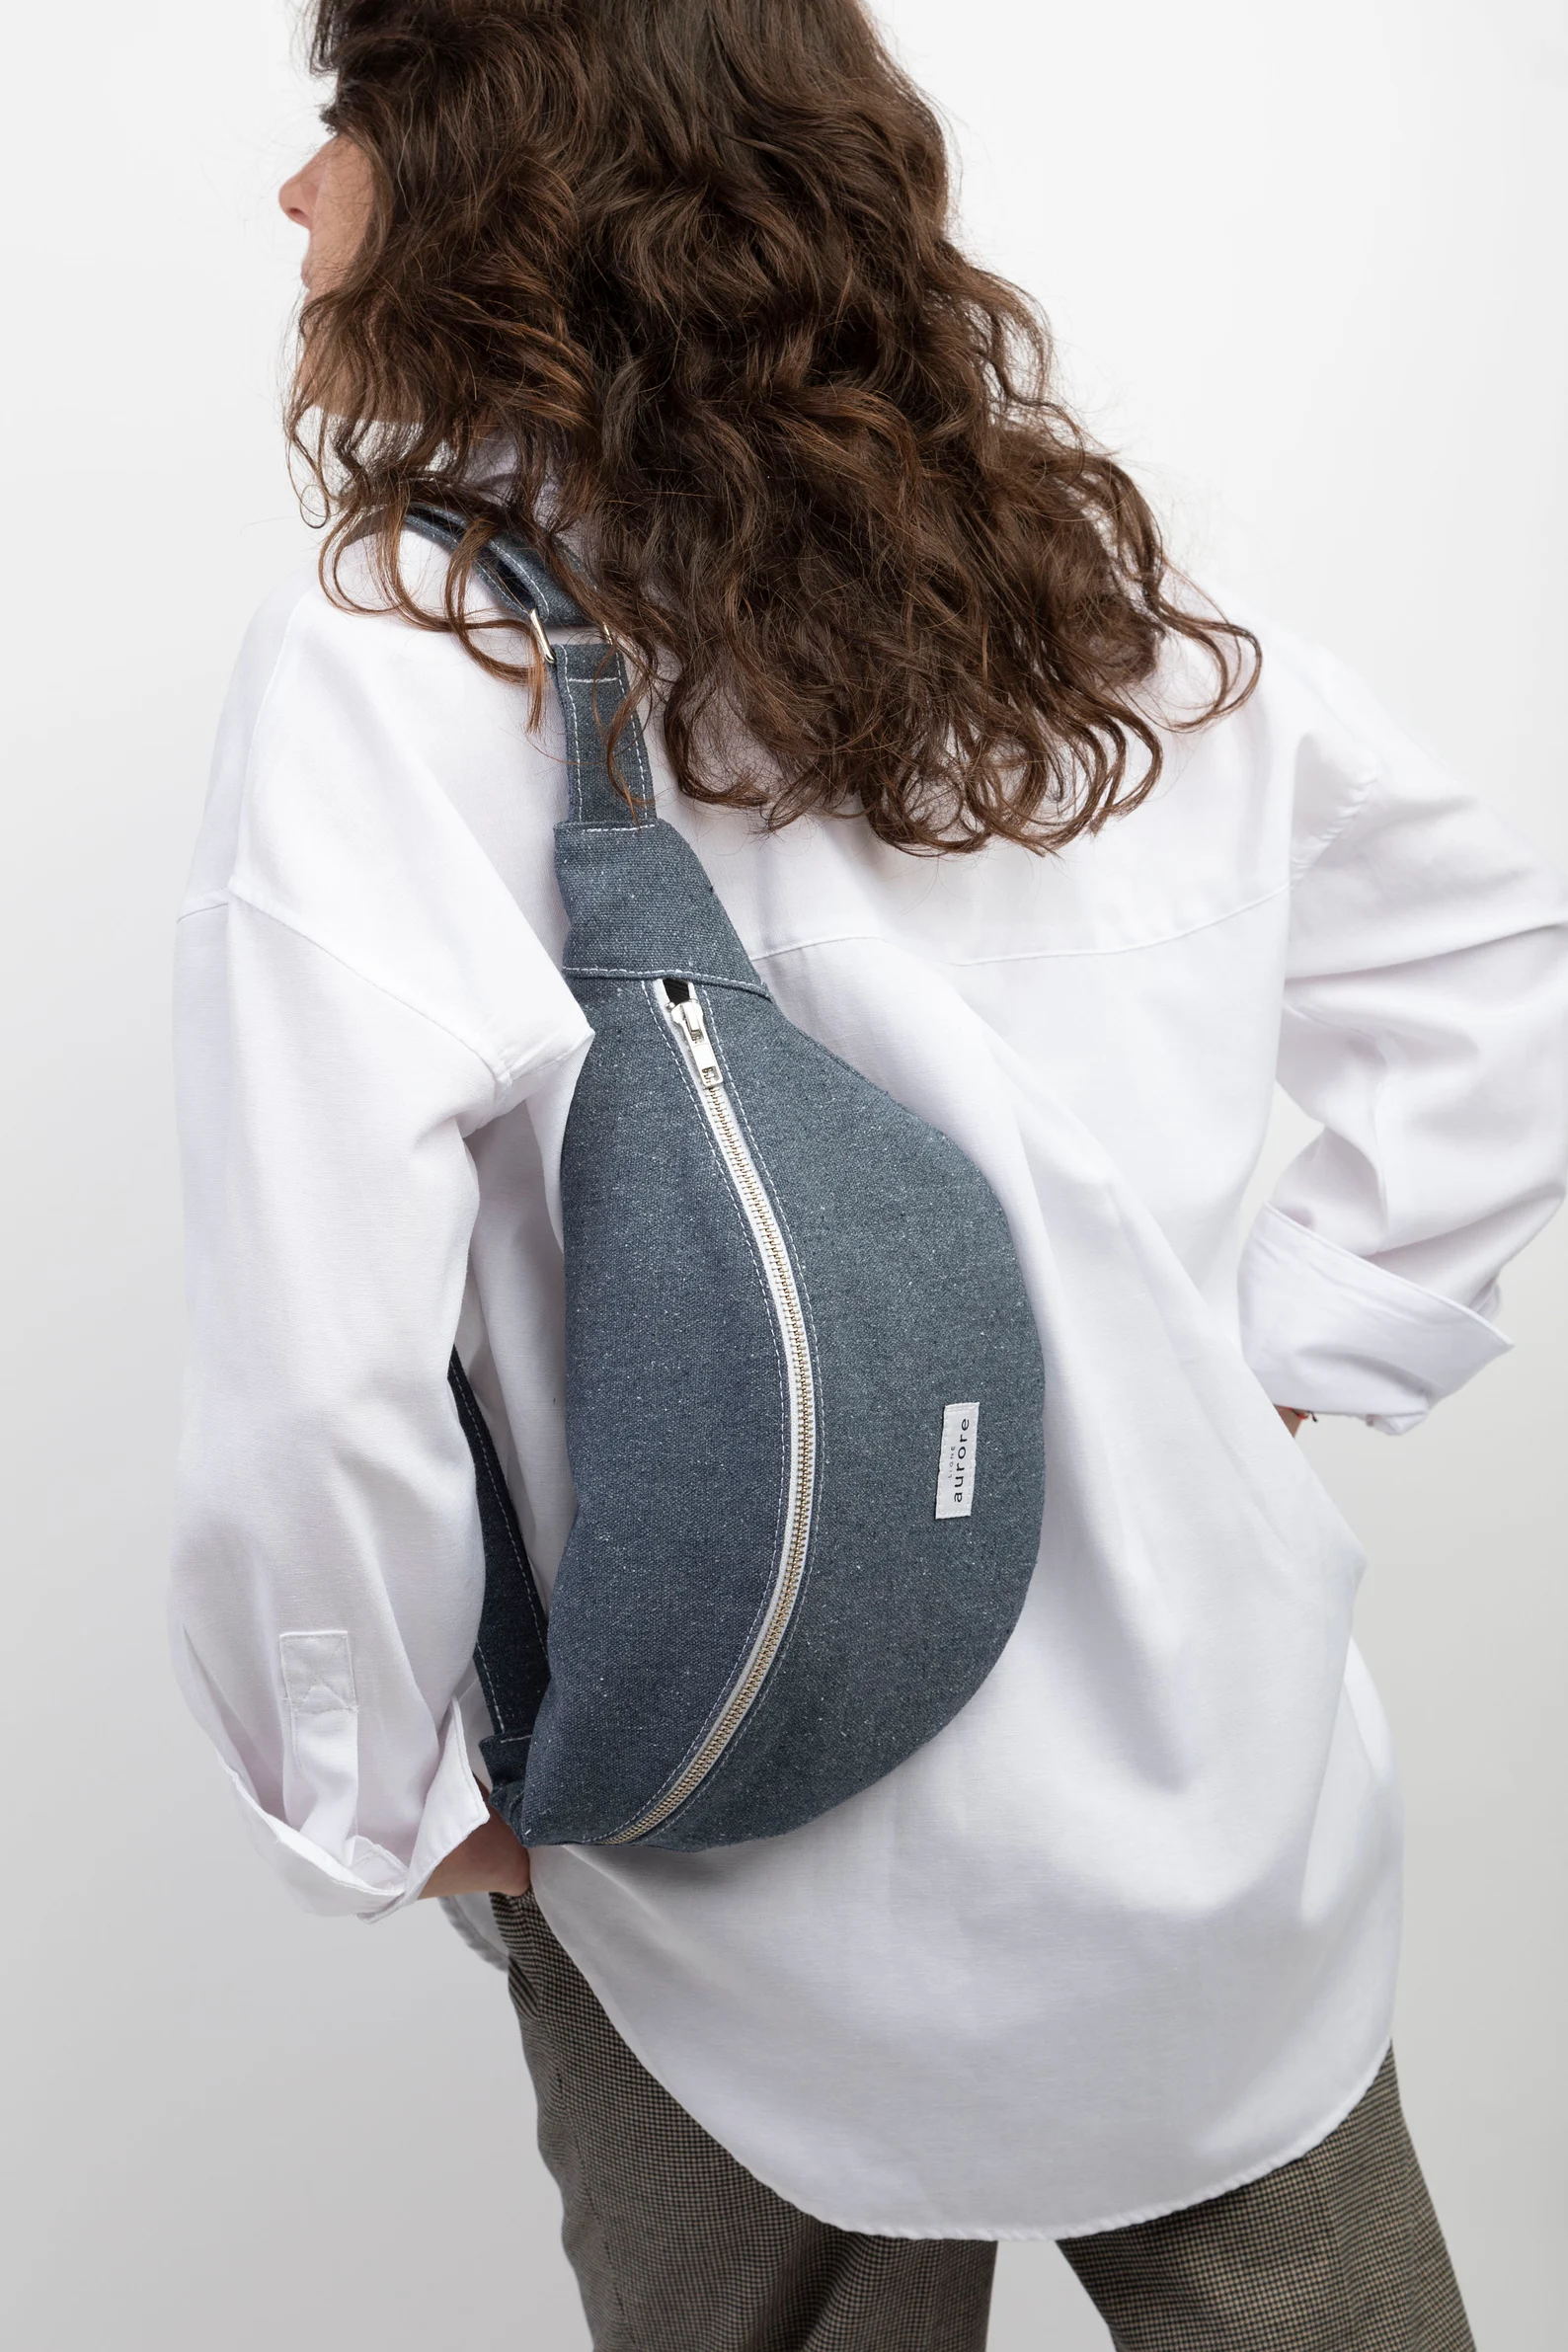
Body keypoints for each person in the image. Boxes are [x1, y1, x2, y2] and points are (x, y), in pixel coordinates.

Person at [170, 3, 1568, 2345]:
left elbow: (318, 1352)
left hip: (732, 1827)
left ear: (509, 177)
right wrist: (1272, 1375)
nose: (299, 191)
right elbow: (1492, 977)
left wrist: (377, 1789)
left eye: (356, 122)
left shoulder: (412, 659)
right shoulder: (1073, 598)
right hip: (1206, 1789)